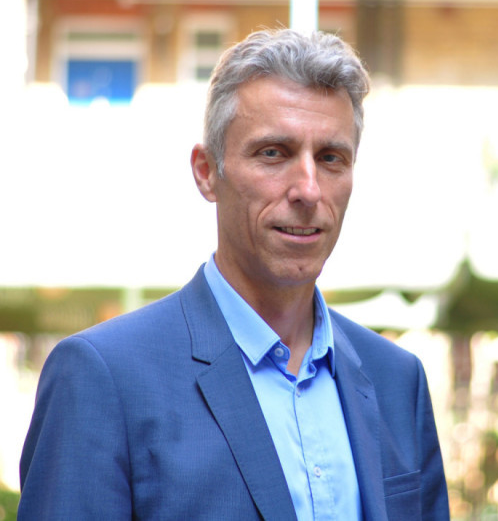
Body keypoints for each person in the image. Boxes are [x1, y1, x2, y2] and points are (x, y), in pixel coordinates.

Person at [19, 28, 449, 520]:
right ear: (206, 172)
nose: (308, 189)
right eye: (273, 153)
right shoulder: (103, 379)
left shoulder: (398, 381)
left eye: (331, 158)